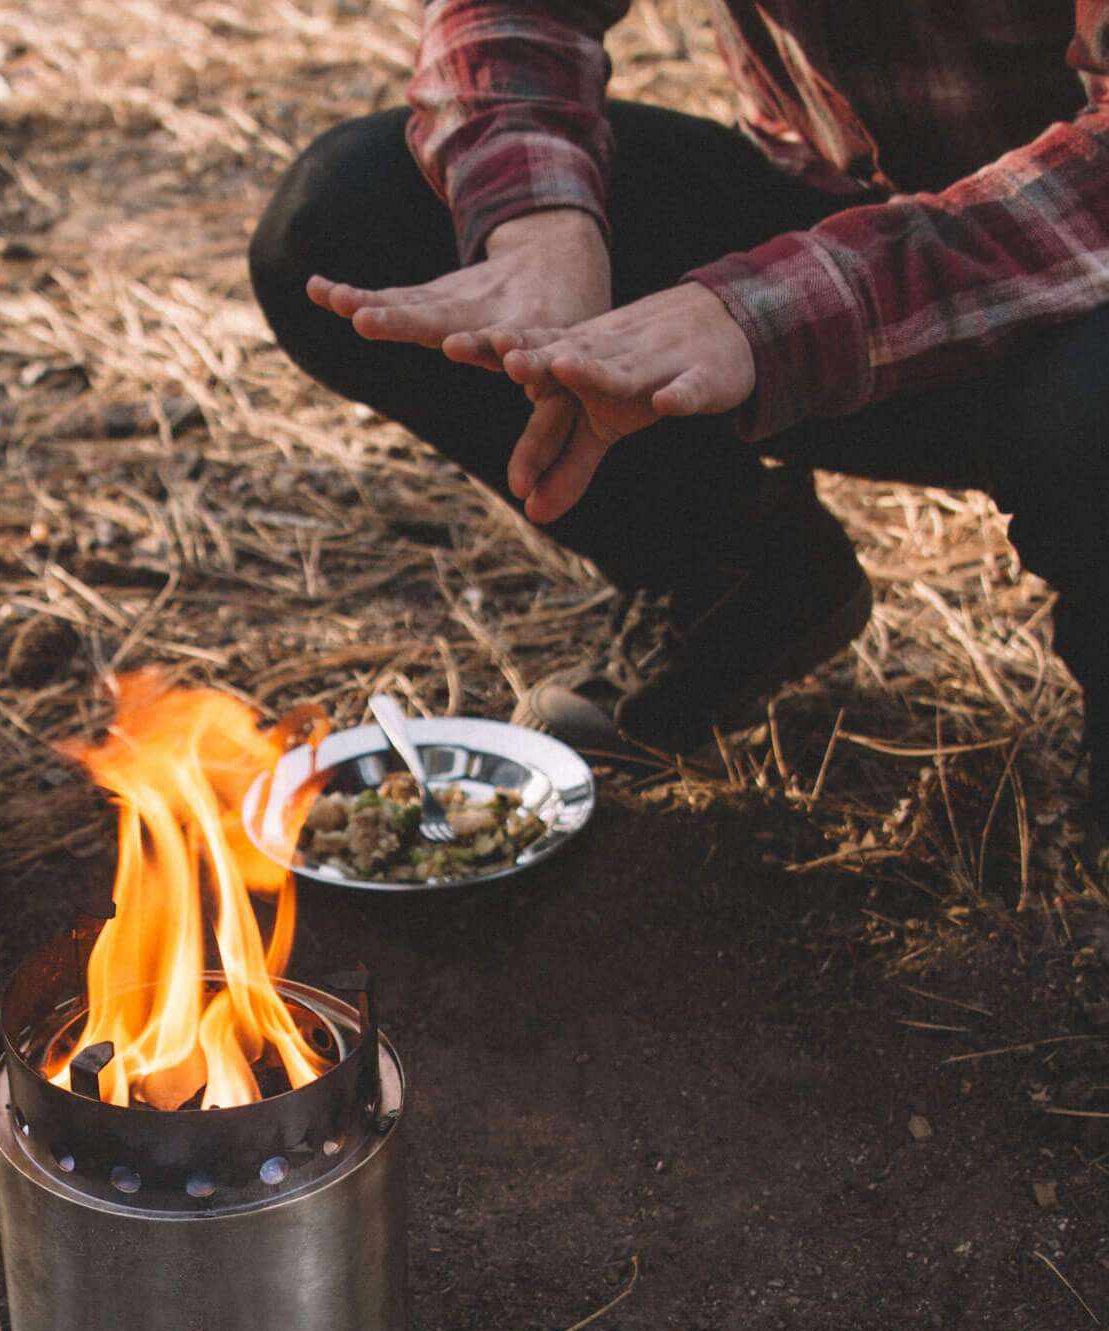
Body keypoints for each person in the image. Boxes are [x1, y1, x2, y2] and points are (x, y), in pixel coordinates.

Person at [250, 2, 1109, 827]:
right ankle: (743, 574)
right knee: (351, 212)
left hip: (1075, 292)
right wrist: (540, 230)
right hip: (841, 231)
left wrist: (765, 313)